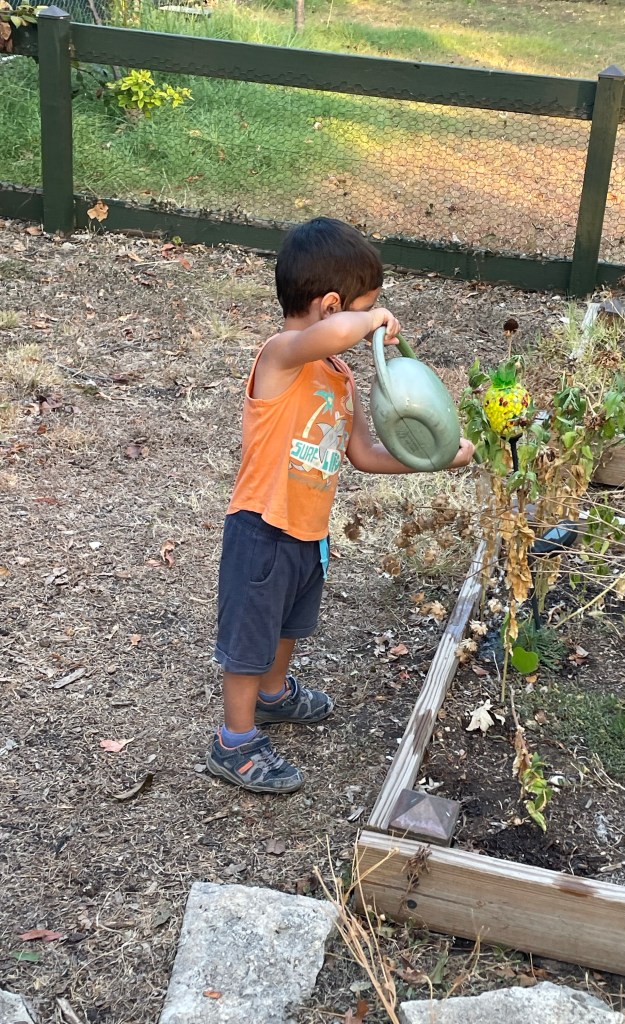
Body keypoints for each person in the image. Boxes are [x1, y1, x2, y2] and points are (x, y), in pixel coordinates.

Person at [206, 217, 475, 794]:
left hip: (308, 529)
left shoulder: (340, 376)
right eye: (366, 308)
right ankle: (235, 741)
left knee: (288, 624)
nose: (373, 321)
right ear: (332, 307)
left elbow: (365, 454)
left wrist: (436, 459)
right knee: (250, 637)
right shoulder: (282, 357)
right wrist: (370, 321)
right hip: (261, 525)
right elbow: (323, 338)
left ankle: (274, 696)